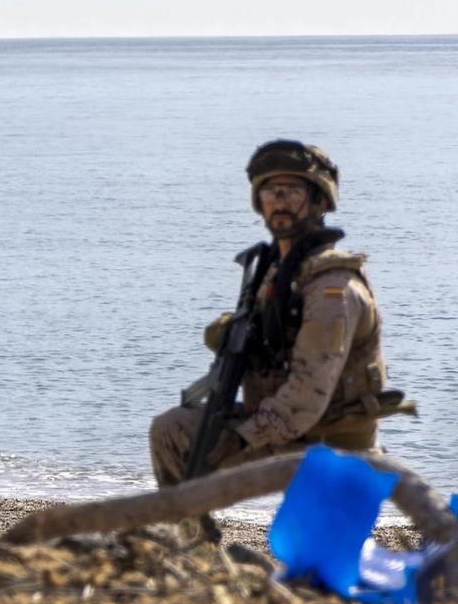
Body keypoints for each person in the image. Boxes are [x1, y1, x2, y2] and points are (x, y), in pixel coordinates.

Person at [148, 140, 409, 486]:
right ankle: (192, 535)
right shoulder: (276, 272)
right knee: (171, 431)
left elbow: (307, 391)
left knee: (307, 540)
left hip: (330, 447)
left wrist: (240, 439)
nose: (279, 202)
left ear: (318, 200)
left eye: (292, 191)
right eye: (271, 191)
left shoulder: (334, 288)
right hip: (285, 434)